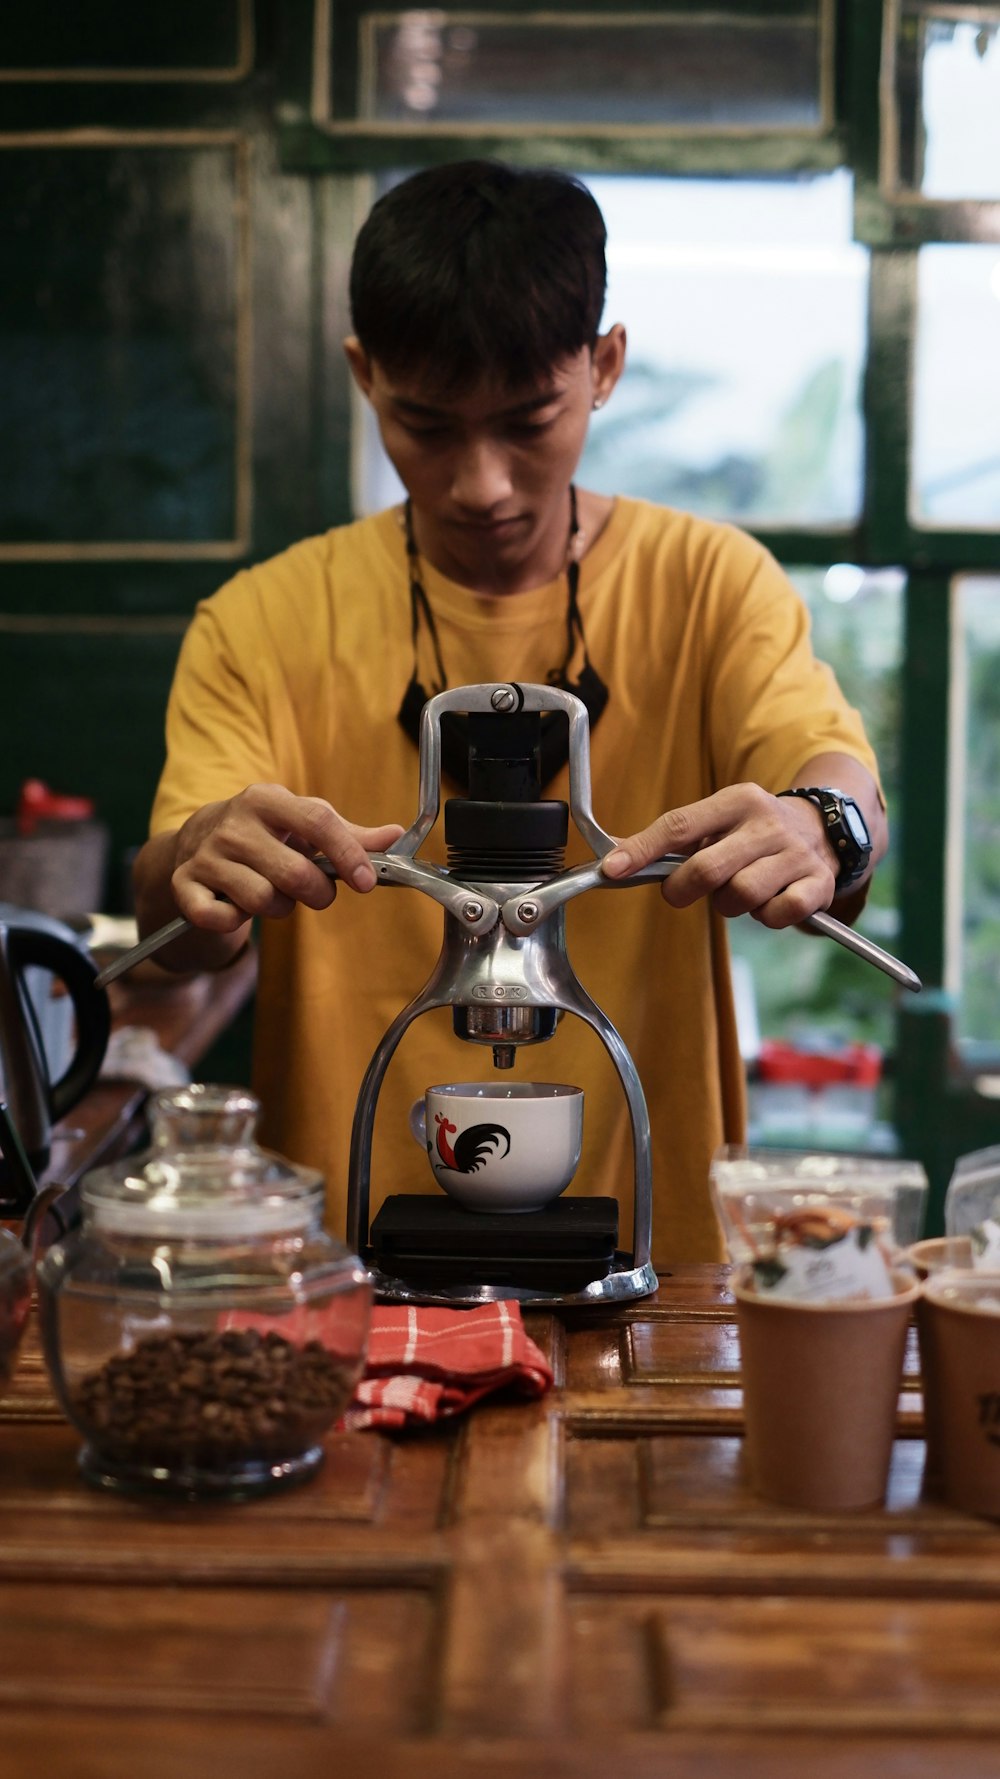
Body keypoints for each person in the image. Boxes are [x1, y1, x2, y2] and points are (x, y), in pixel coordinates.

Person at [134, 161, 886, 1264]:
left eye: (528, 420)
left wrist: (824, 824)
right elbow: (166, 925)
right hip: (343, 1279)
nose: (480, 485)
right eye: (426, 426)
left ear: (604, 367)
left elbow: (829, 775)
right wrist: (197, 866)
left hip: (658, 1255)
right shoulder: (262, 623)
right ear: (362, 375)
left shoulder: (711, 587)